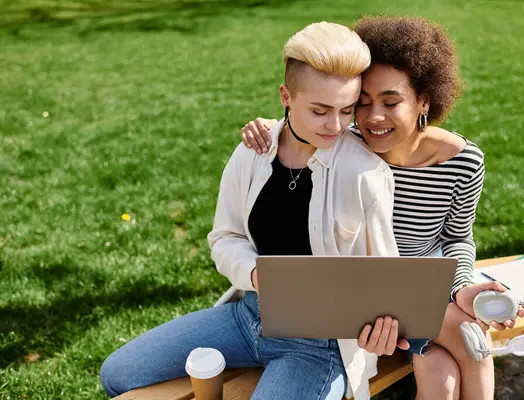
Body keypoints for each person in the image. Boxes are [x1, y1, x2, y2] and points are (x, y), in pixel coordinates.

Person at [100, 21, 403, 400]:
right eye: (321, 110)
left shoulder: (364, 174)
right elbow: (225, 238)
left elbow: (387, 275)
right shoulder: (253, 152)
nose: (336, 125)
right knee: (116, 374)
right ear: (285, 97)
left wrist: (381, 323)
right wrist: (256, 273)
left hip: (317, 346)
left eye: (346, 109)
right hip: (247, 318)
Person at [240, 15, 524, 400]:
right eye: (363, 103)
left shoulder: (463, 161)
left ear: (424, 99)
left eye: (391, 102)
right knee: (466, 338)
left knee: (444, 375)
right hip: (367, 298)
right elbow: (307, 119)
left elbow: (457, 238)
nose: (373, 118)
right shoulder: (345, 147)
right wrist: (266, 127)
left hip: (431, 287)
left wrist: (460, 289)